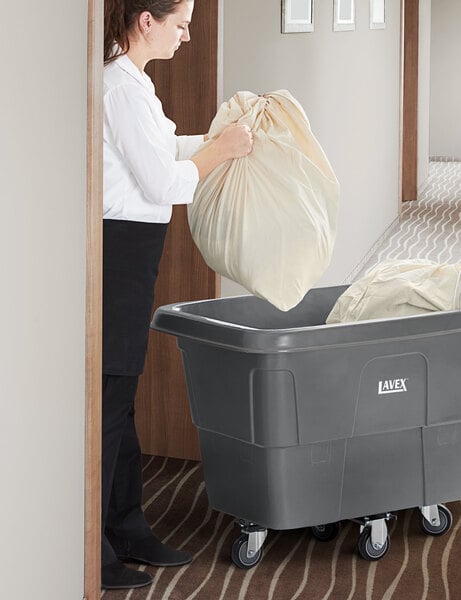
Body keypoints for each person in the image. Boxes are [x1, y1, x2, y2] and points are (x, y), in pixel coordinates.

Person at [102, 0, 253, 590]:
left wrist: (223, 140)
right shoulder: (118, 86)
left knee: (123, 394)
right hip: (118, 253)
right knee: (110, 399)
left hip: (134, 251)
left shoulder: (134, 83)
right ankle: (98, 545)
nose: (187, 37)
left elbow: (163, 153)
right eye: (182, 25)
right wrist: (221, 153)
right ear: (147, 21)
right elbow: (163, 183)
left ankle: (127, 526)